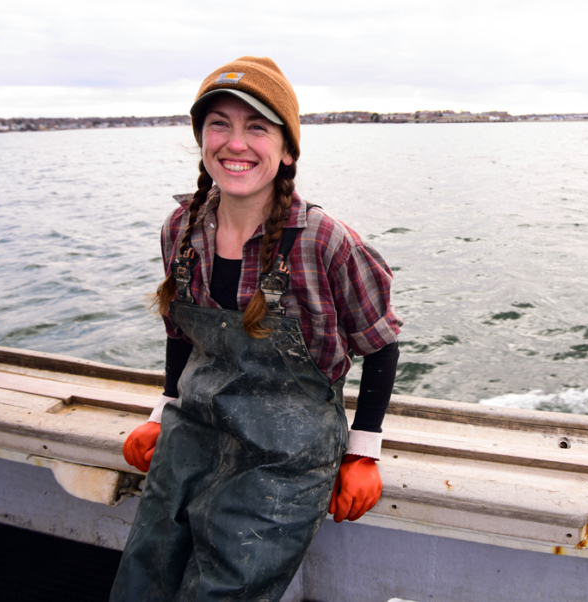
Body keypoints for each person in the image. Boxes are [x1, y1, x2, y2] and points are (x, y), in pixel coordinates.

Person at [111, 56, 402, 602]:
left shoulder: (326, 243)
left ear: (287, 149)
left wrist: (363, 452)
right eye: (219, 122)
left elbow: (380, 348)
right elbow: (181, 337)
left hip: (286, 456)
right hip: (192, 430)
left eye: (257, 127)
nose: (235, 142)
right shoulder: (181, 229)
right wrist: (161, 413)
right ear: (201, 137)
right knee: (141, 577)